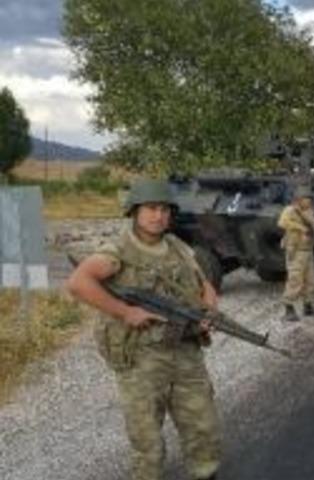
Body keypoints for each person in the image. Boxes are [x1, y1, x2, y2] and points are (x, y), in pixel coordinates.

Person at [65, 179, 221, 480]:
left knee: (204, 426)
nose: (158, 215)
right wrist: (126, 312)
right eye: (150, 208)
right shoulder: (118, 251)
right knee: (147, 438)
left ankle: (205, 473)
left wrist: (208, 311)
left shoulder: (177, 247)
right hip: (141, 358)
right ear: (134, 211)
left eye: (164, 209)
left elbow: (205, 285)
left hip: (185, 350)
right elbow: (78, 283)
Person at [277, 184, 314, 322]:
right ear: (299, 199)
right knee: (295, 280)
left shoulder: (309, 211)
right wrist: (300, 228)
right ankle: (288, 308)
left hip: (308, 250)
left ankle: (308, 306)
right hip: (296, 250)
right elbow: (282, 222)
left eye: (310, 198)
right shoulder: (290, 210)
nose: (309, 201)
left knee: (310, 281)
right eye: (307, 198)